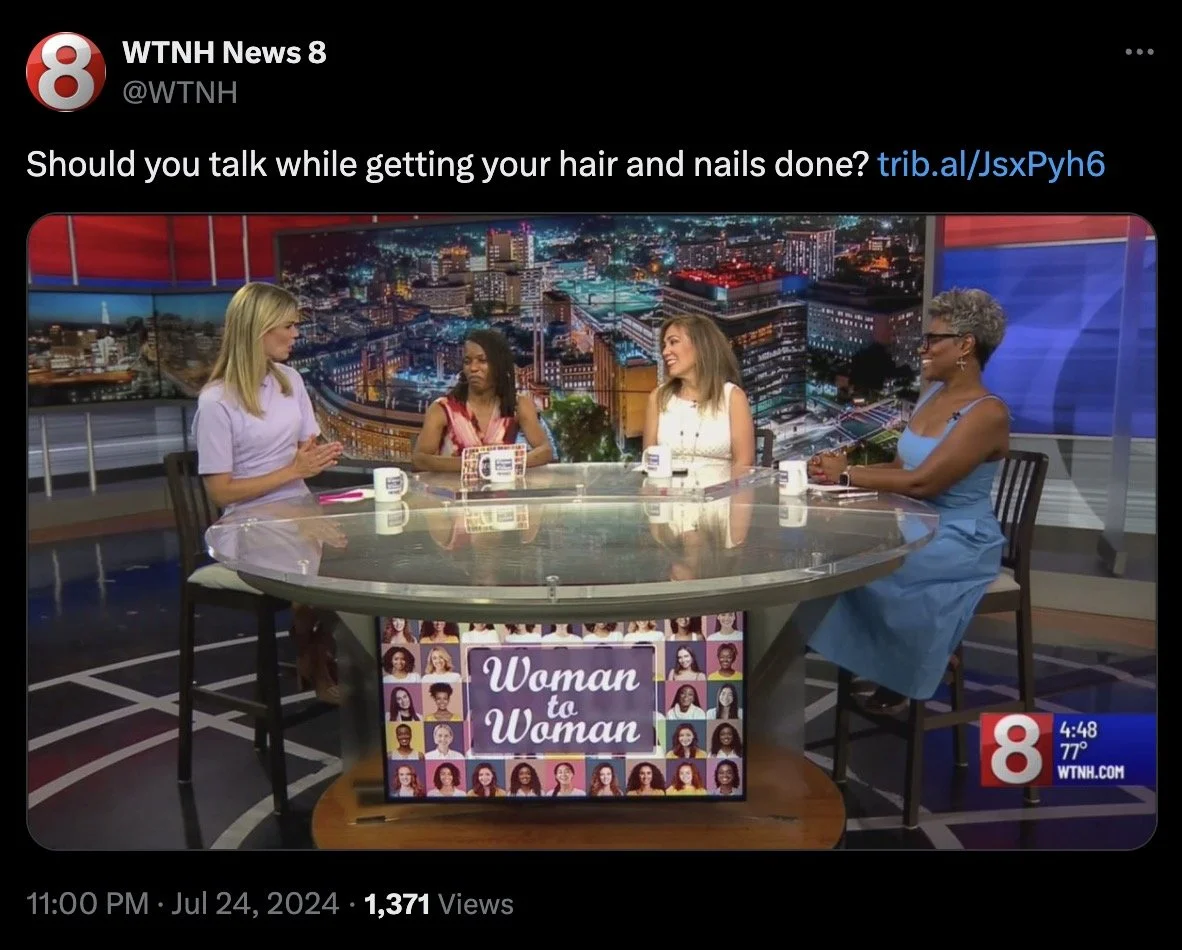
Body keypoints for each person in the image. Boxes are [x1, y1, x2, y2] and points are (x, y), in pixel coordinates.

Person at [798, 288, 1011, 713]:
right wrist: (841, 472)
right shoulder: (930, 394)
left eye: (933, 339)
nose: (923, 348)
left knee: (868, 567)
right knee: (836, 552)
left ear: (966, 345)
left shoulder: (988, 413)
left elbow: (922, 483)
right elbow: (900, 466)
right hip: (913, 521)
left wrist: (848, 475)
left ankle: (912, 661)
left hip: (959, 537)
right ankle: (907, 657)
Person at [191, 282, 344, 704]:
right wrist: (293, 471)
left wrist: (314, 459)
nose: (296, 334)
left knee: (359, 557)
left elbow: (304, 448)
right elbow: (221, 491)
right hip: (246, 520)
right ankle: (315, 654)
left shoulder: (290, 380)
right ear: (259, 328)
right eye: (288, 326)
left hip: (298, 507)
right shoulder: (216, 402)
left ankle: (313, 641)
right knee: (309, 564)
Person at [412, 328, 553, 472]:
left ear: (499, 365)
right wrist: (474, 464)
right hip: (452, 486)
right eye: (467, 361)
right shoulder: (442, 409)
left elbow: (545, 451)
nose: (473, 368)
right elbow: (420, 459)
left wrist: (508, 463)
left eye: (482, 360)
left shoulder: (518, 405)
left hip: (502, 486)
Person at [642, 314, 755, 467]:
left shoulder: (733, 397)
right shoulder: (658, 398)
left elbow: (743, 464)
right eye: (665, 345)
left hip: (723, 483)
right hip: (668, 483)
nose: (665, 352)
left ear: (700, 346)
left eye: (673, 342)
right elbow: (649, 463)